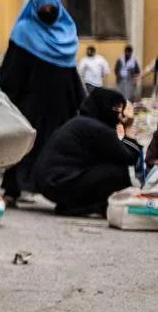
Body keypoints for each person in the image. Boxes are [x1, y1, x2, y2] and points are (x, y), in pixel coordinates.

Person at [0, 0, 84, 205]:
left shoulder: (67, 33)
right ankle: (12, 191)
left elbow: (71, 73)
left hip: (60, 106)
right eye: (42, 7)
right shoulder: (24, 31)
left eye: (51, 7)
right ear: (34, 8)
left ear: (58, 7)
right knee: (23, 145)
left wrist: (80, 103)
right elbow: (13, 66)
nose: (47, 11)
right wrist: (6, 94)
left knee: (56, 148)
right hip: (30, 104)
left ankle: (56, 191)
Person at [34, 88, 142, 217]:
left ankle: (74, 204)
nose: (119, 114)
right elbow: (130, 157)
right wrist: (128, 128)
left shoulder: (81, 122)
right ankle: (85, 207)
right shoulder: (96, 128)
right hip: (58, 184)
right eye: (116, 108)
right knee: (120, 172)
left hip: (51, 184)